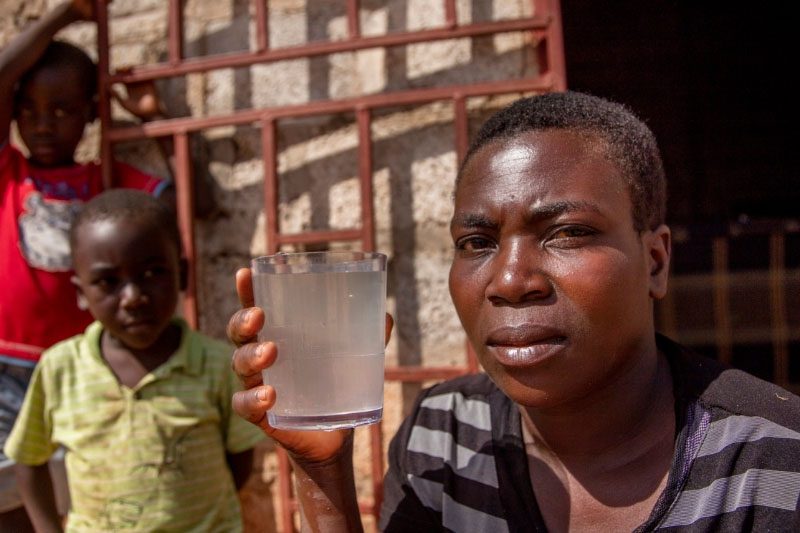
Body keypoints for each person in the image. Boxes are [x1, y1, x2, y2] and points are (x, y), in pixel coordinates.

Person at [226, 91, 800, 532]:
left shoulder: (773, 462)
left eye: (567, 233)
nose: (508, 281)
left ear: (654, 261)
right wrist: (322, 467)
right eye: (477, 242)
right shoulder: (443, 436)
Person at [4, 189, 264, 531]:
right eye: (108, 281)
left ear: (182, 274)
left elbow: (239, 459)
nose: (133, 298)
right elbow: (28, 459)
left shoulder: (215, 364)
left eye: (152, 273)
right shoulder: (60, 368)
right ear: (81, 293)